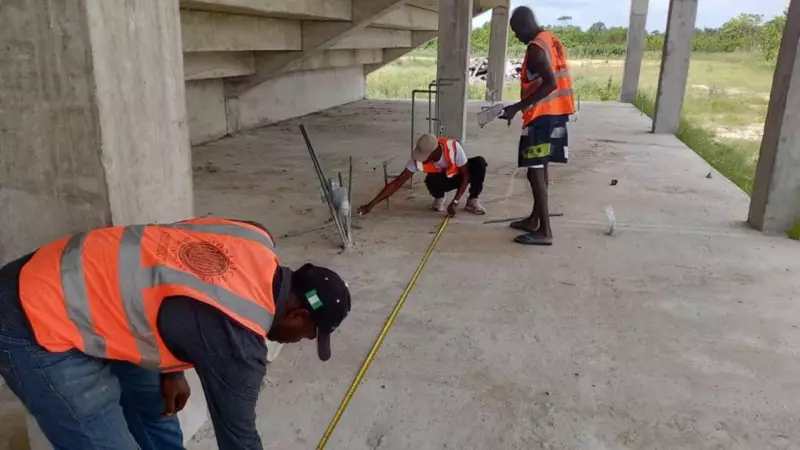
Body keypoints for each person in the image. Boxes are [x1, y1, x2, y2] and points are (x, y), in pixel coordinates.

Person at [0, 217, 351, 450]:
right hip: (32, 317)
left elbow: (173, 267)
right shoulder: (240, 346)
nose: (299, 342)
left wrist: (170, 368)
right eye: (307, 335)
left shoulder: (253, 236)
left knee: (157, 410)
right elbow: (239, 440)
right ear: (297, 315)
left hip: (82, 284)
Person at [500, 6, 575, 246]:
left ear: (524, 24)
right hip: (557, 113)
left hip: (541, 116)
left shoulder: (535, 48)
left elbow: (550, 83)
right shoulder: (551, 39)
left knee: (535, 173)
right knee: (541, 170)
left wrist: (516, 106)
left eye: (514, 30)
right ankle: (535, 220)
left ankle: (545, 232)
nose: (515, 36)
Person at [358, 134, 487, 218]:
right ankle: (439, 196)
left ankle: (472, 200)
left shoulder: (453, 147)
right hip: (442, 180)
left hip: (459, 177)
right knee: (431, 179)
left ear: (435, 151)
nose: (422, 159)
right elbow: (396, 183)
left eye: (425, 156)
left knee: (479, 164)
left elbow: (466, 175)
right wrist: (370, 205)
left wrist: (455, 202)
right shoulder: (417, 160)